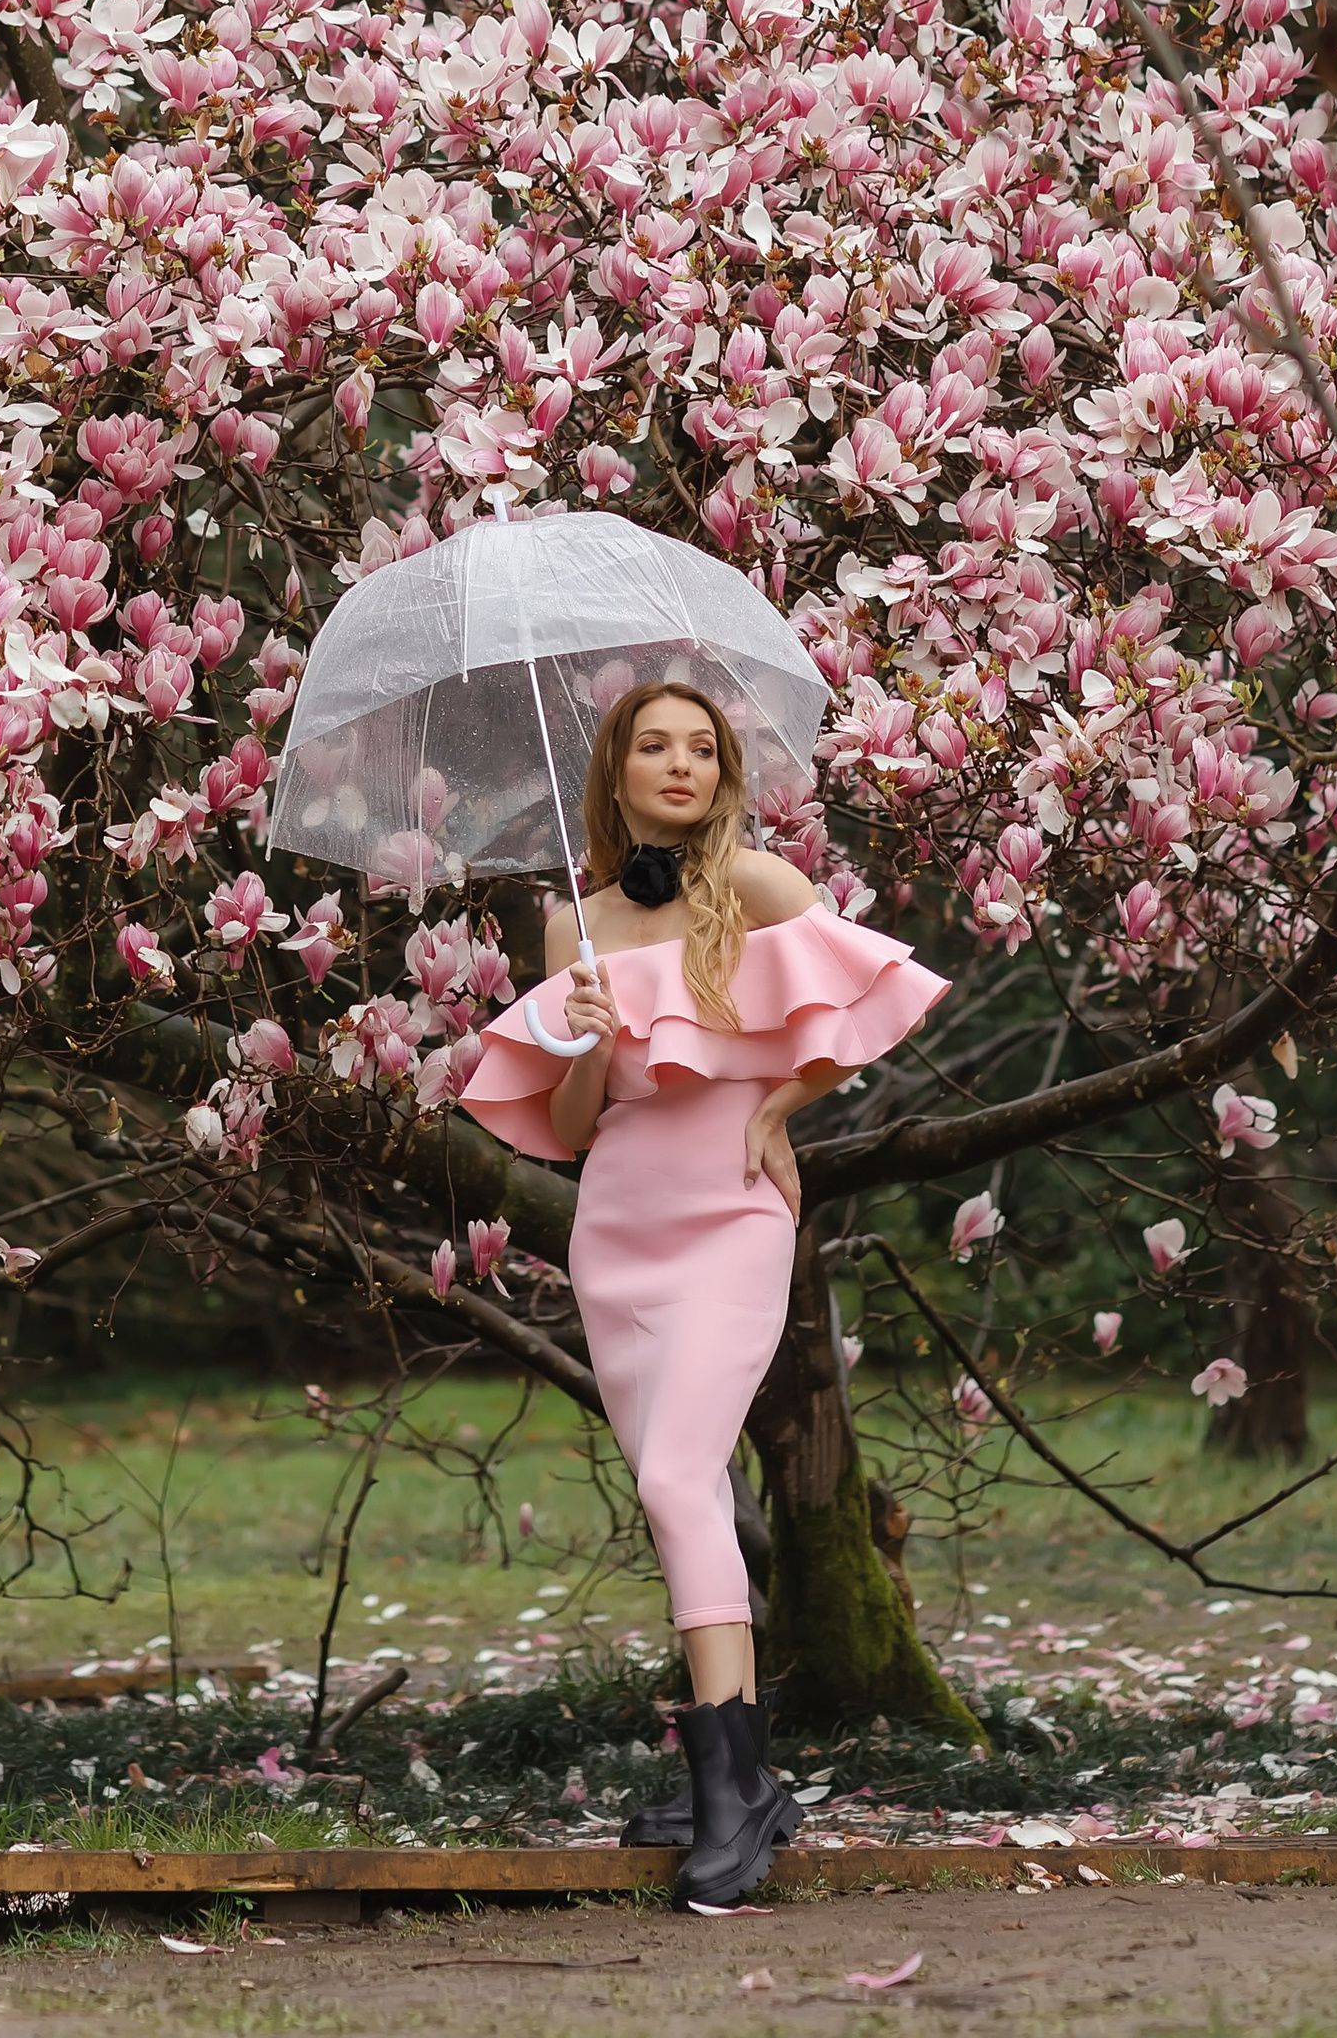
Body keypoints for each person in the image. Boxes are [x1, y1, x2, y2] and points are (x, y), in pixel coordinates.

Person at [458, 678, 945, 1910]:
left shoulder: (764, 886)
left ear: (722, 775)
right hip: (616, 1231)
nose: (678, 766)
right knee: (677, 1495)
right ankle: (742, 1779)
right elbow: (573, 1129)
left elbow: (858, 1007)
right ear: (617, 774)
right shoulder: (575, 926)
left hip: (733, 1215)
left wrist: (776, 1110)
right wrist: (575, 1038)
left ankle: (732, 1799)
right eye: (653, 748)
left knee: (682, 1478)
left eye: (700, 749)